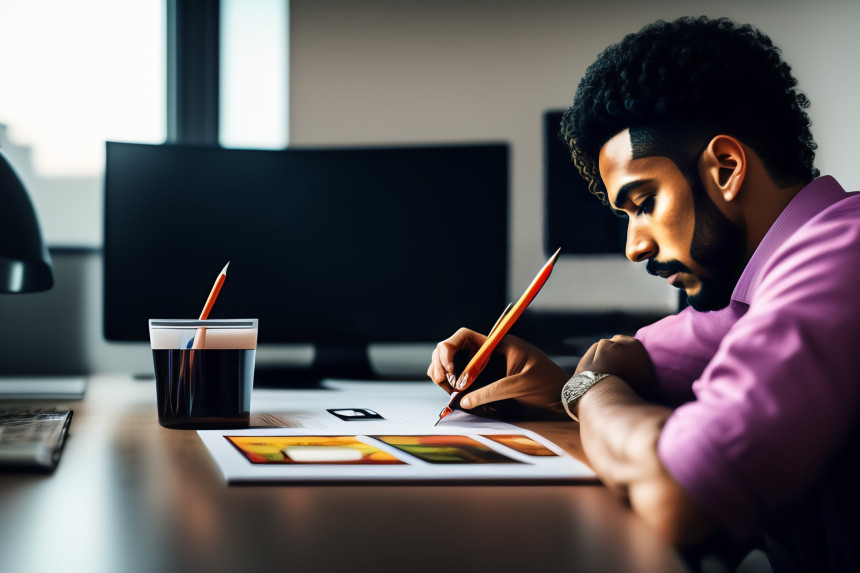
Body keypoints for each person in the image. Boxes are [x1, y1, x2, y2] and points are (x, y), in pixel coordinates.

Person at [427, 16, 860, 571]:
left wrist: (591, 393)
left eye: (644, 203)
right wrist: (563, 384)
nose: (634, 247)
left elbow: (682, 492)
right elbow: (625, 359)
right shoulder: (756, 288)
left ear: (725, 168)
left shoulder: (841, 256)